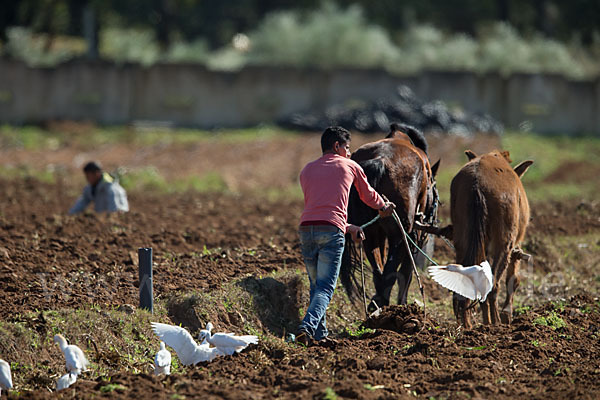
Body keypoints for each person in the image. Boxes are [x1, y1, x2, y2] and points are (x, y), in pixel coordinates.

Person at [296, 126, 394, 346]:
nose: (350, 153)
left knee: (316, 286)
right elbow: (368, 196)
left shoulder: (307, 170)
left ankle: (319, 335)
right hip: (330, 233)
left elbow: (319, 210)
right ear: (336, 146)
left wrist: (349, 227)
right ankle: (307, 327)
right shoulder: (350, 166)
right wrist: (384, 205)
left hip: (306, 230)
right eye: (347, 148)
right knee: (325, 287)